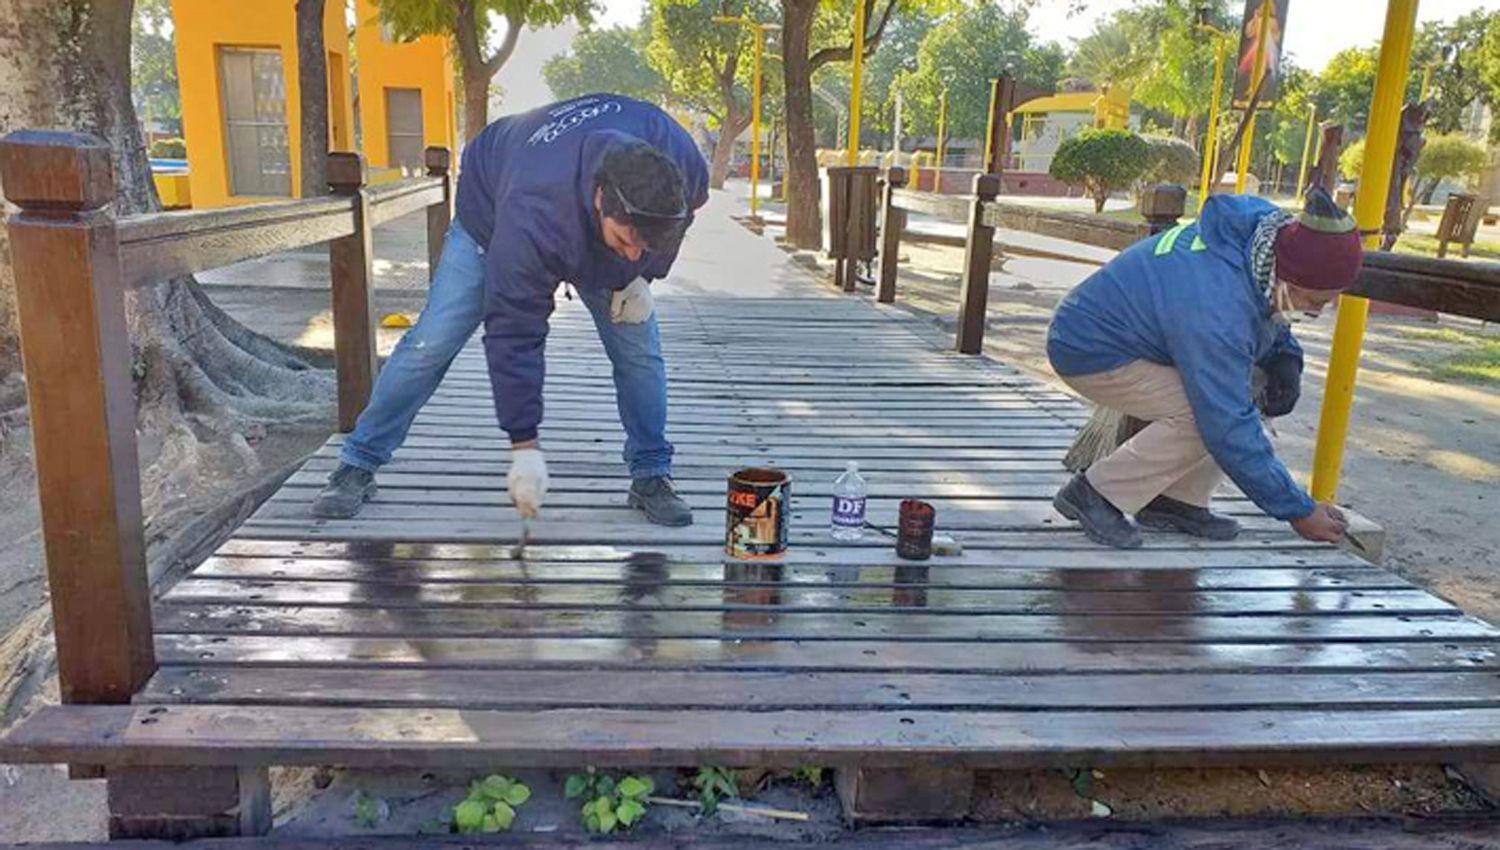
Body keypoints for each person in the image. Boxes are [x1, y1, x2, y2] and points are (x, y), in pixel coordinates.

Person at [312, 94, 709, 526]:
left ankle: (652, 473)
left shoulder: (680, 161)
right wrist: (525, 450)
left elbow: (686, 212)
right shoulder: (532, 213)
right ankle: (358, 461)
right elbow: (515, 336)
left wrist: (643, 275)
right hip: (491, 212)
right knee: (429, 344)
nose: (634, 254)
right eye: (626, 241)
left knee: (639, 354)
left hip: (573, 211)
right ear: (601, 199)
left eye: (644, 244)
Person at [1046, 186, 1362, 549]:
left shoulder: (1263, 240)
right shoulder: (1216, 305)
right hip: (1091, 348)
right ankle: (1094, 494)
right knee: (1206, 416)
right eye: (1313, 300)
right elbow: (1225, 423)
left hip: (1143, 340)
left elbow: (1262, 314)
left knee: (1245, 394)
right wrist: (1298, 510)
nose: (1317, 311)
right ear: (1284, 276)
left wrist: (1285, 356)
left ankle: (1176, 499)